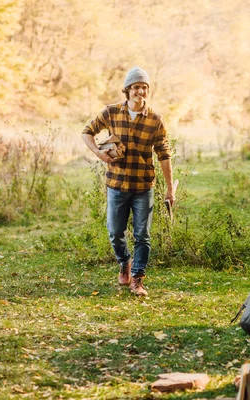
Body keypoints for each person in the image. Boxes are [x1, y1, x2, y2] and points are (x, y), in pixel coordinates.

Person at [81, 66, 175, 297]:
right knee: (115, 231)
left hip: (143, 186)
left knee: (142, 234)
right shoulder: (111, 112)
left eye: (144, 87)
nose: (140, 91)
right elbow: (87, 132)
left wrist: (170, 189)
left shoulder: (155, 120)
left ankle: (137, 279)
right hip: (117, 184)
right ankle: (125, 262)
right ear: (127, 90)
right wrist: (99, 153)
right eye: (136, 87)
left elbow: (164, 154)